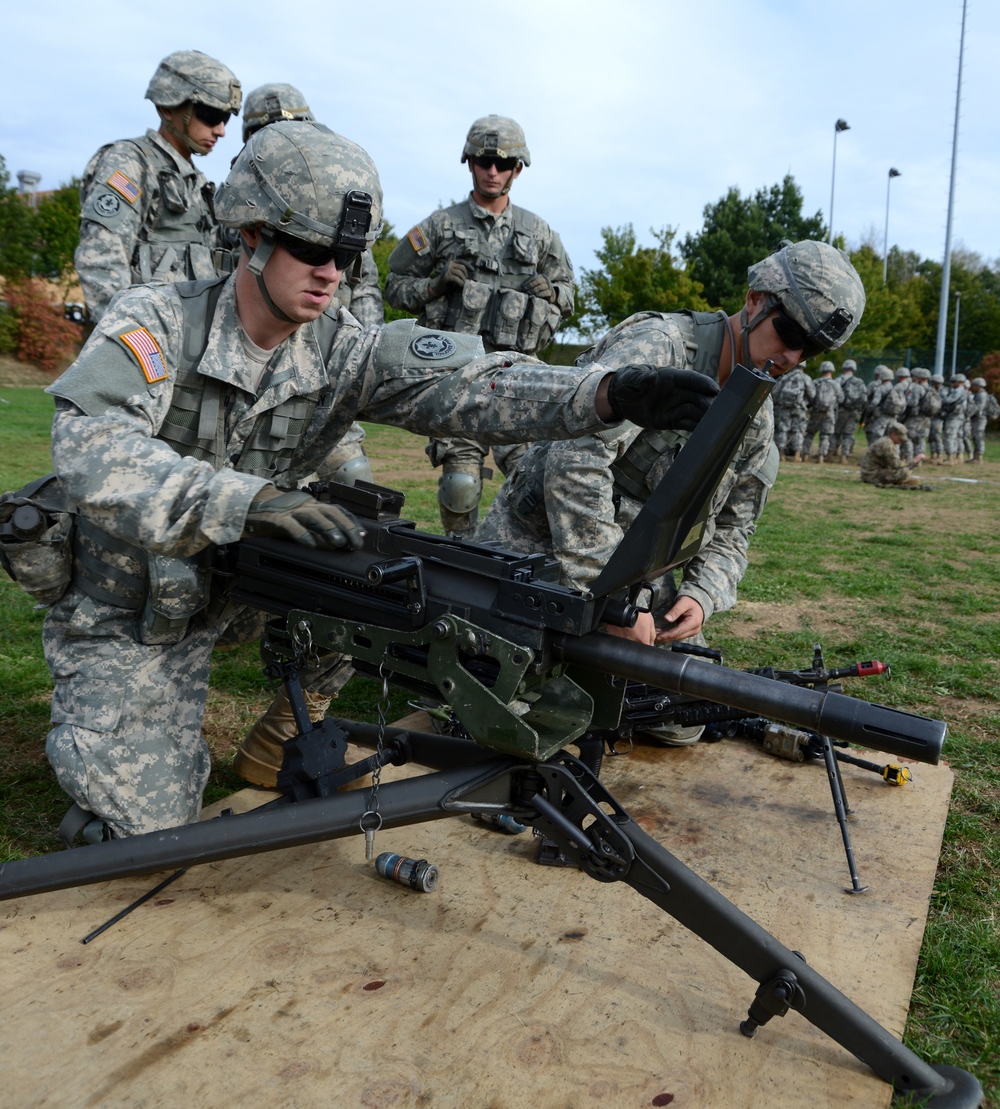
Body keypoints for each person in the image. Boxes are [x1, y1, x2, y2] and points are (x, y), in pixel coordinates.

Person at [39, 121, 717, 839]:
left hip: (248, 590)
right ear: (251, 235)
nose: (331, 271)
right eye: (311, 248)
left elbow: (469, 387)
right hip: (139, 607)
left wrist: (605, 393)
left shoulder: (339, 349)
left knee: (398, 582)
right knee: (144, 833)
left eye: (347, 254)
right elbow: (91, 451)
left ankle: (281, 733)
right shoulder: (156, 321)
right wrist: (250, 500)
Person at [477, 239, 866, 743]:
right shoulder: (660, 347)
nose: (793, 356)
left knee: (680, 718)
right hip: (538, 549)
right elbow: (573, 463)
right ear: (754, 300)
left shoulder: (756, 413)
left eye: (809, 349)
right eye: (788, 332)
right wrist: (612, 603)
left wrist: (701, 596)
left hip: (631, 572)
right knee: (514, 708)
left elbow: (734, 526)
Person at [385, 115, 575, 536]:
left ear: (517, 169)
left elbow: (569, 293)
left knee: (536, 485)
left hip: (522, 377)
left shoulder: (539, 233)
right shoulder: (439, 226)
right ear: (469, 163)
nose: (493, 171)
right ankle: (459, 556)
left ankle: (522, 564)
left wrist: (553, 293)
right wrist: (433, 287)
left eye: (503, 163)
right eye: (484, 161)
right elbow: (394, 284)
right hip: (458, 377)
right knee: (461, 484)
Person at [240, 82, 384, 482]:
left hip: (323, 365)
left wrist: (361, 355)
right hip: (247, 378)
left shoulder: (336, 210)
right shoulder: (239, 209)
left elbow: (365, 285)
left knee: (353, 482)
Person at [74, 50, 242, 323]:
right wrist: (129, 339)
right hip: (146, 341)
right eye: (210, 115)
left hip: (189, 341)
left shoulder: (196, 183)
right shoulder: (131, 163)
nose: (221, 130)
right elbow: (101, 260)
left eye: (226, 118)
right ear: (168, 107)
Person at [859, 424, 932, 490]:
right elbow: (895, 464)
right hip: (871, 475)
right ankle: (901, 481)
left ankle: (901, 480)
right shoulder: (887, 444)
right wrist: (913, 462)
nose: (901, 441)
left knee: (903, 470)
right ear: (893, 434)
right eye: (900, 438)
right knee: (904, 472)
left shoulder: (886, 441)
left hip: (872, 472)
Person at [772, 361, 814, 461]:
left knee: (782, 429)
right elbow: (812, 394)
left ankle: (781, 454)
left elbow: (775, 392)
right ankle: (797, 455)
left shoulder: (785, 377)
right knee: (798, 430)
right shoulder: (806, 378)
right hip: (799, 409)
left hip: (784, 408)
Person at [804, 359, 842, 462]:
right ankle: (821, 456)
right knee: (825, 435)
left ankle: (805, 455)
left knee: (810, 433)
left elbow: (811, 396)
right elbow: (841, 398)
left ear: (821, 370)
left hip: (816, 411)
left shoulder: (816, 382)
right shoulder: (836, 384)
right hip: (829, 412)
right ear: (832, 371)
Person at [834, 358, 867, 460]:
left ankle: (832, 453)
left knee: (836, 433)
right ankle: (844, 456)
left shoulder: (838, 380)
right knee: (848, 434)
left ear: (844, 368)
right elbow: (864, 398)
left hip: (840, 411)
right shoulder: (860, 382)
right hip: (854, 412)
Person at [968, 377, 999, 461]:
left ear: (979, 386)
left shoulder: (982, 395)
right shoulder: (979, 394)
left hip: (980, 418)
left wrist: (969, 414)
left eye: (974, 385)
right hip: (978, 418)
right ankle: (976, 457)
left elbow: (978, 408)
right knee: (975, 436)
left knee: (978, 436)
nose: (973, 387)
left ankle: (979, 457)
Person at [941, 373, 969, 463]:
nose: (952, 384)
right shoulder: (963, 390)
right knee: (957, 437)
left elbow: (948, 400)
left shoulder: (958, 391)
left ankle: (950, 458)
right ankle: (957, 456)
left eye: (953, 382)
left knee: (949, 436)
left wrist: (942, 398)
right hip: (960, 417)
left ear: (959, 382)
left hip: (954, 417)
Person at [926, 373, 946, 462]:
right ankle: (933, 453)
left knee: (937, 435)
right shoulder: (930, 390)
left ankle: (940, 454)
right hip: (930, 416)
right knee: (931, 436)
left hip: (938, 417)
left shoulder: (943, 392)